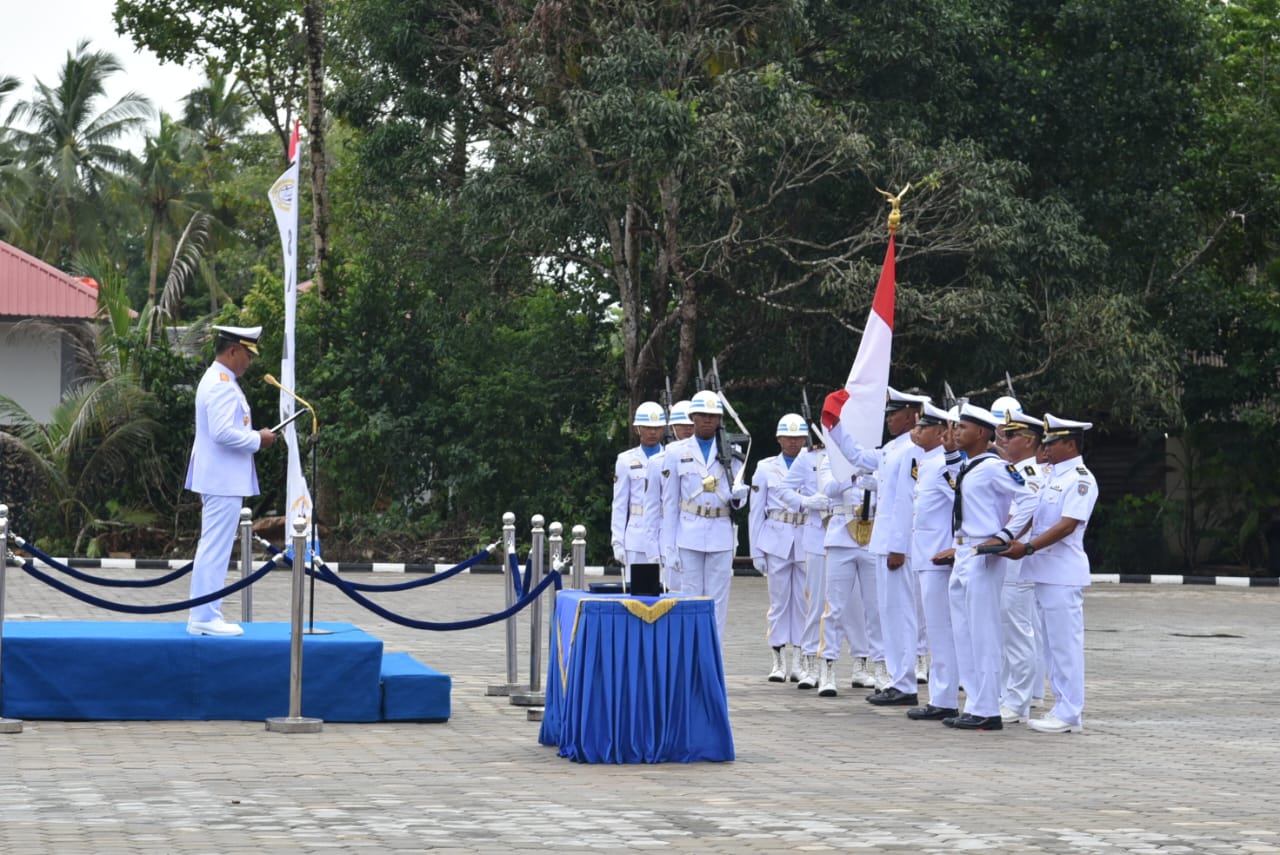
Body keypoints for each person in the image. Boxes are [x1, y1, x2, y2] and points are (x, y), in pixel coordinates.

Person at [937, 402, 1034, 730]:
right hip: (963, 552)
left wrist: (1004, 536)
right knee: (964, 633)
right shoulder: (971, 465)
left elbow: (1029, 499)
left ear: (981, 432)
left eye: (963, 428)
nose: (956, 432)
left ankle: (989, 708)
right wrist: (951, 453)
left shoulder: (995, 466)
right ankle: (976, 704)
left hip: (983, 553)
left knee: (983, 632)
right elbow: (959, 489)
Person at [1001, 414, 1098, 733]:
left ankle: (1070, 712)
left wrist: (1027, 548)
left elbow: (1066, 525)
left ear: (1070, 444)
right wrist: (1005, 539)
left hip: (1062, 572)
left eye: (1052, 442)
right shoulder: (1051, 477)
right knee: (1052, 646)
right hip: (1043, 571)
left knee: (1065, 646)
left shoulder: (1080, 479)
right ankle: (1062, 706)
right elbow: (1030, 516)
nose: (1046, 448)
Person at [185, 324, 276, 637]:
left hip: (219, 477)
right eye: (247, 354)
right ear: (233, 350)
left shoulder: (221, 380)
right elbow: (222, 432)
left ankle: (204, 613)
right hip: (222, 478)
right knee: (215, 548)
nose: (250, 361)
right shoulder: (222, 383)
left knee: (214, 546)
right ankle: (205, 616)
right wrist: (258, 439)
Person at [659, 390, 748, 640]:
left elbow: (737, 504)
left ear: (719, 419)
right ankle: (689, 653)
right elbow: (670, 503)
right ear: (693, 417)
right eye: (702, 415)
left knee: (717, 602)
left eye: (712, 415)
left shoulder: (733, 448)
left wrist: (741, 496)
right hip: (689, 533)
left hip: (720, 530)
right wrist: (669, 548)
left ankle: (714, 656)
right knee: (689, 599)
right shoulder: (676, 452)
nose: (707, 420)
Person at [905, 403, 962, 721]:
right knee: (934, 629)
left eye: (924, 427)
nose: (917, 431)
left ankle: (944, 698)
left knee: (941, 630)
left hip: (938, 558)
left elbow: (963, 506)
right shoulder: (928, 463)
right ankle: (942, 695)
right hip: (925, 557)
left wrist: (956, 547)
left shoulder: (945, 465)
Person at [995, 410, 1047, 725]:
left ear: (1028, 440)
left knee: (1017, 632)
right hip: (1007, 560)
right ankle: (1008, 695)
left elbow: (1022, 518)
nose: (1004, 439)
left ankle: (1017, 702)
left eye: (1011, 435)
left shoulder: (1029, 475)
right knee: (1006, 631)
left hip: (1018, 561)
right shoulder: (1015, 471)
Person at [748, 414, 809, 681]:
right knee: (778, 602)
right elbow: (755, 511)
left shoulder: (814, 464)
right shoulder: (765, 467)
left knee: (803, 603)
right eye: (788, 437)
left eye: (798, 437)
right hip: (776, 538)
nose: (793, 442)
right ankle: (778, 660)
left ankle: (799, 660)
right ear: (779, 438)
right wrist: (756, 550)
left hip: (806, 537)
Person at [611, 402, 667, 585]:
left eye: (657, 428)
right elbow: (620, 503)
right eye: (647, 428)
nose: (652, 432)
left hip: (663, 530)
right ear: (637, 429)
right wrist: (617, 540)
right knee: (637, 592)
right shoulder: (626, 460)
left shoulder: (671, 457)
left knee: (666, 592)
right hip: (637, 533)